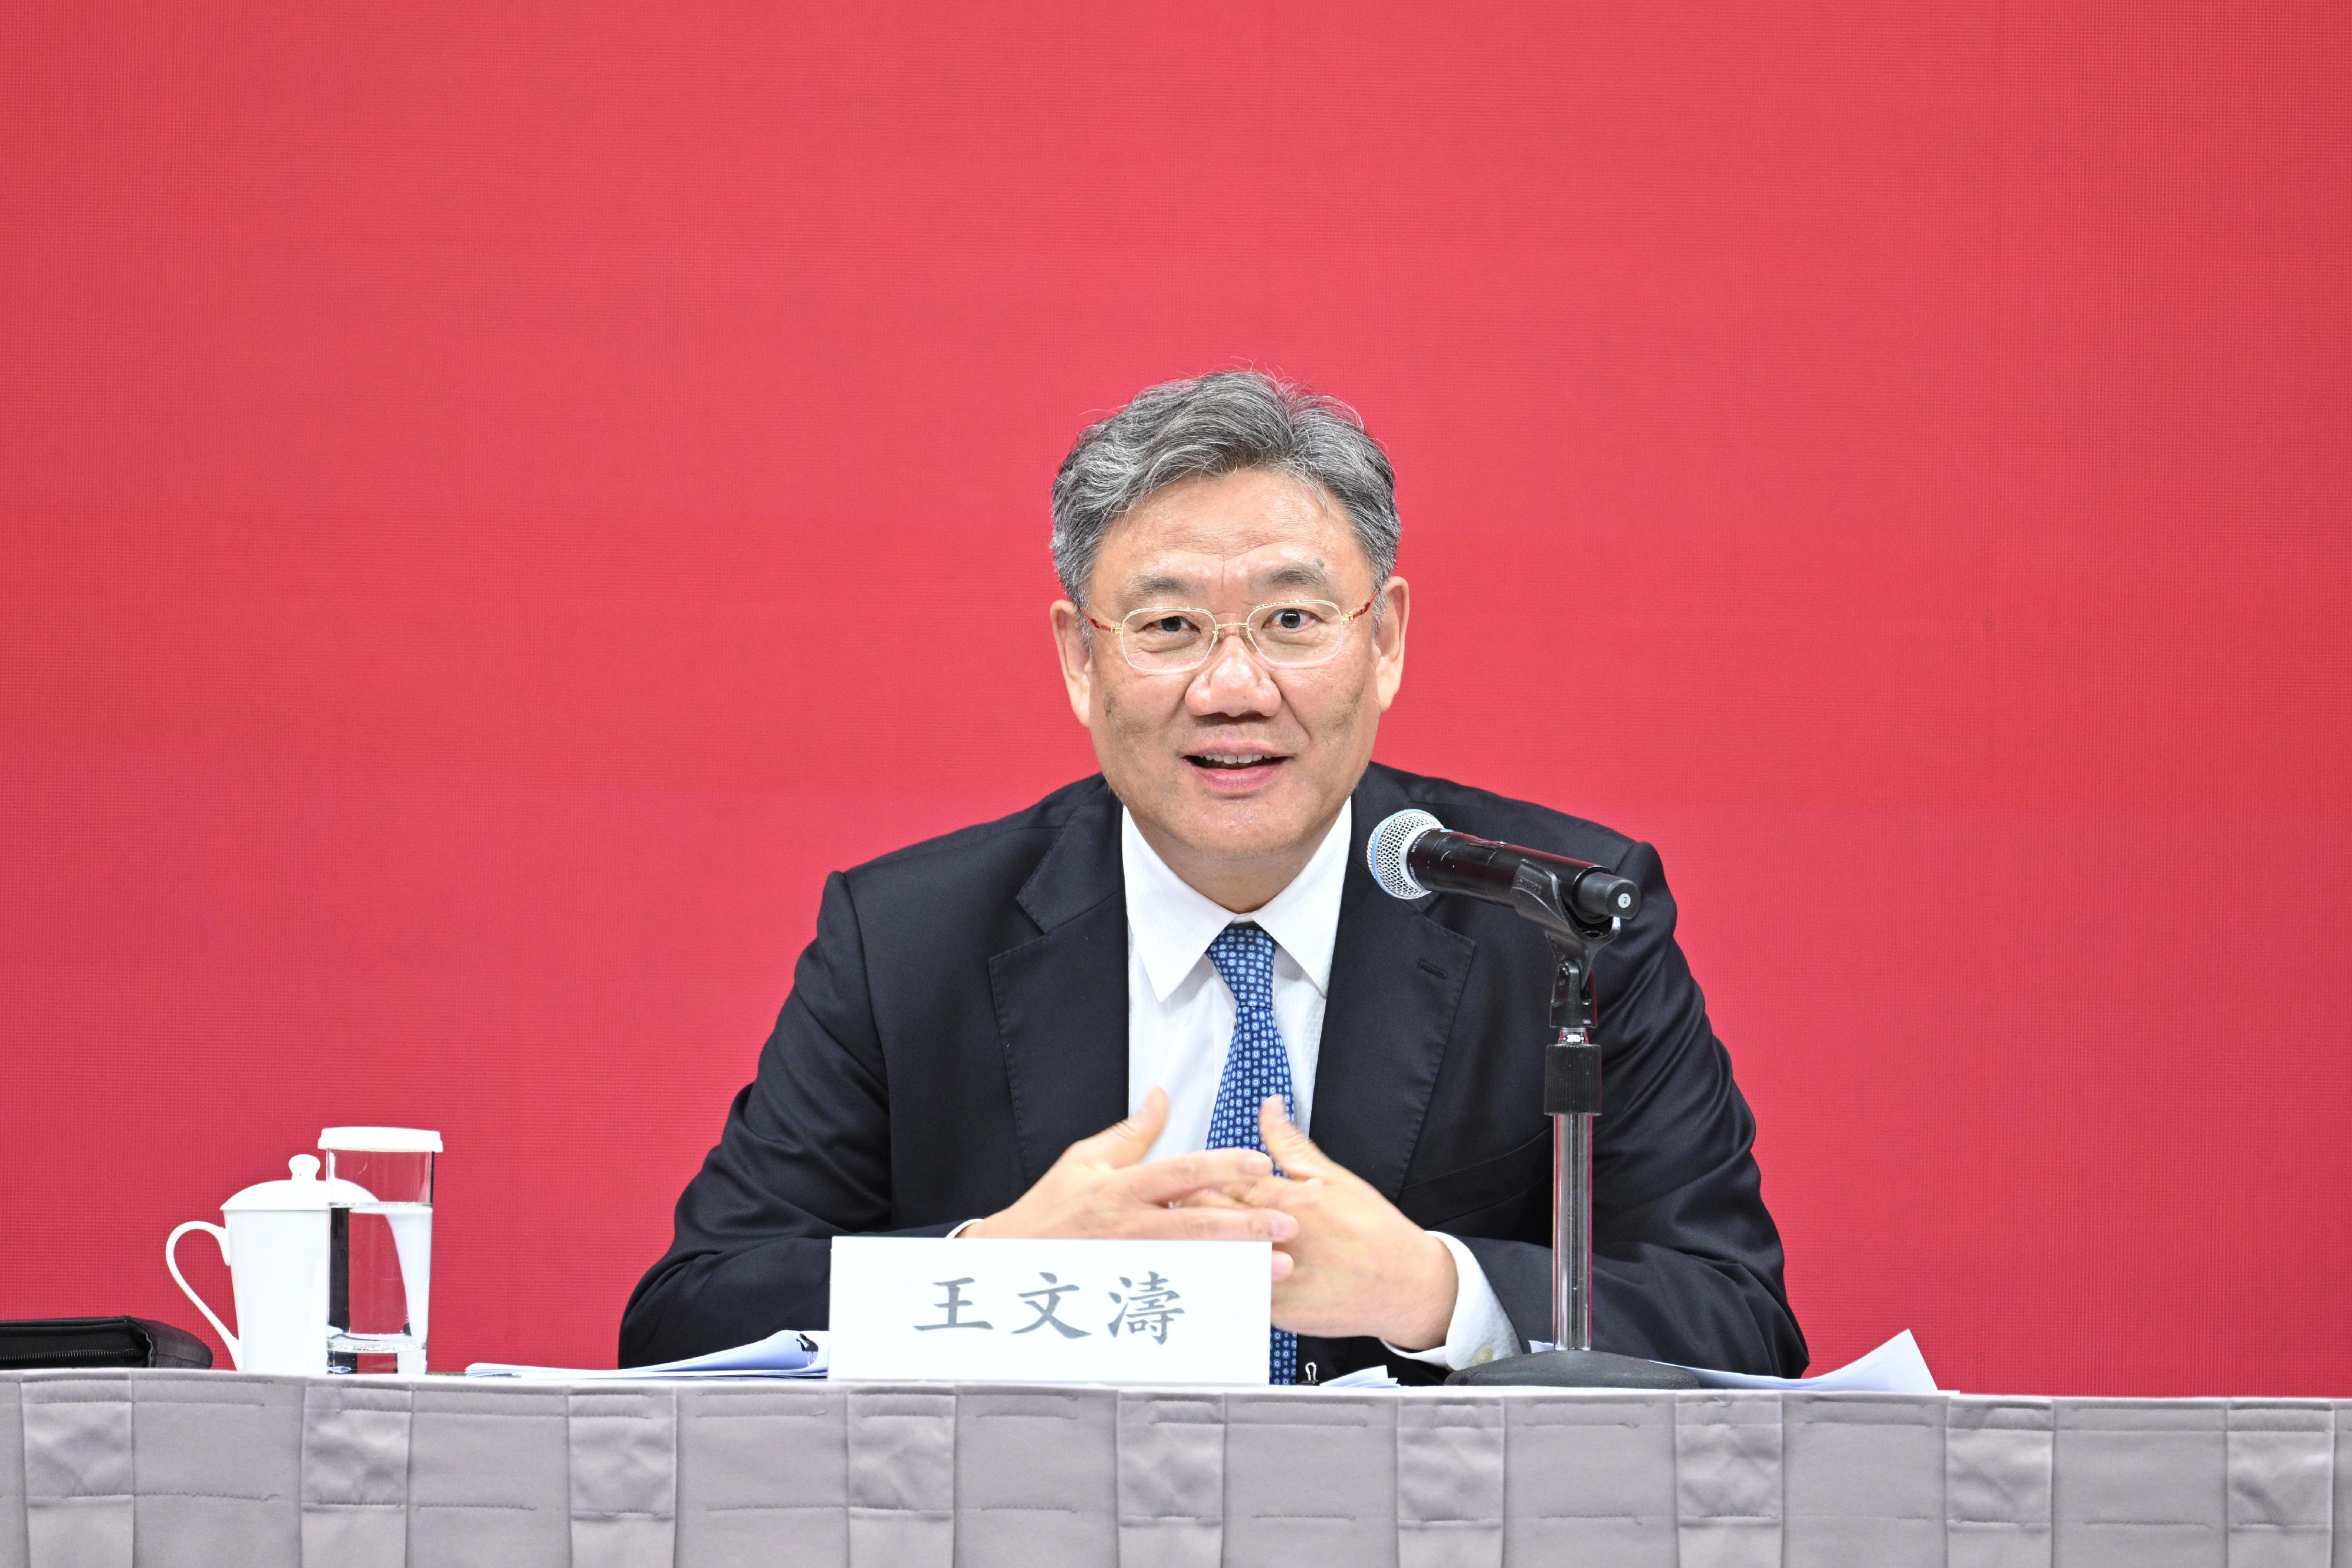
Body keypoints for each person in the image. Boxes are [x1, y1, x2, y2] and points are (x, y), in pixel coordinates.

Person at [620, 370, 1806, 1384]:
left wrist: (1439, 1291)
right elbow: (682, 1323)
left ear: (1384, 638)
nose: (1232, 687)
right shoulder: (908, 939)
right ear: (1079, 659)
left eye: (1291, 619)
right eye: (1170, 628)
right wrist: (989, 1266)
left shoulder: (1558, 920)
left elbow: (1741, 1326)